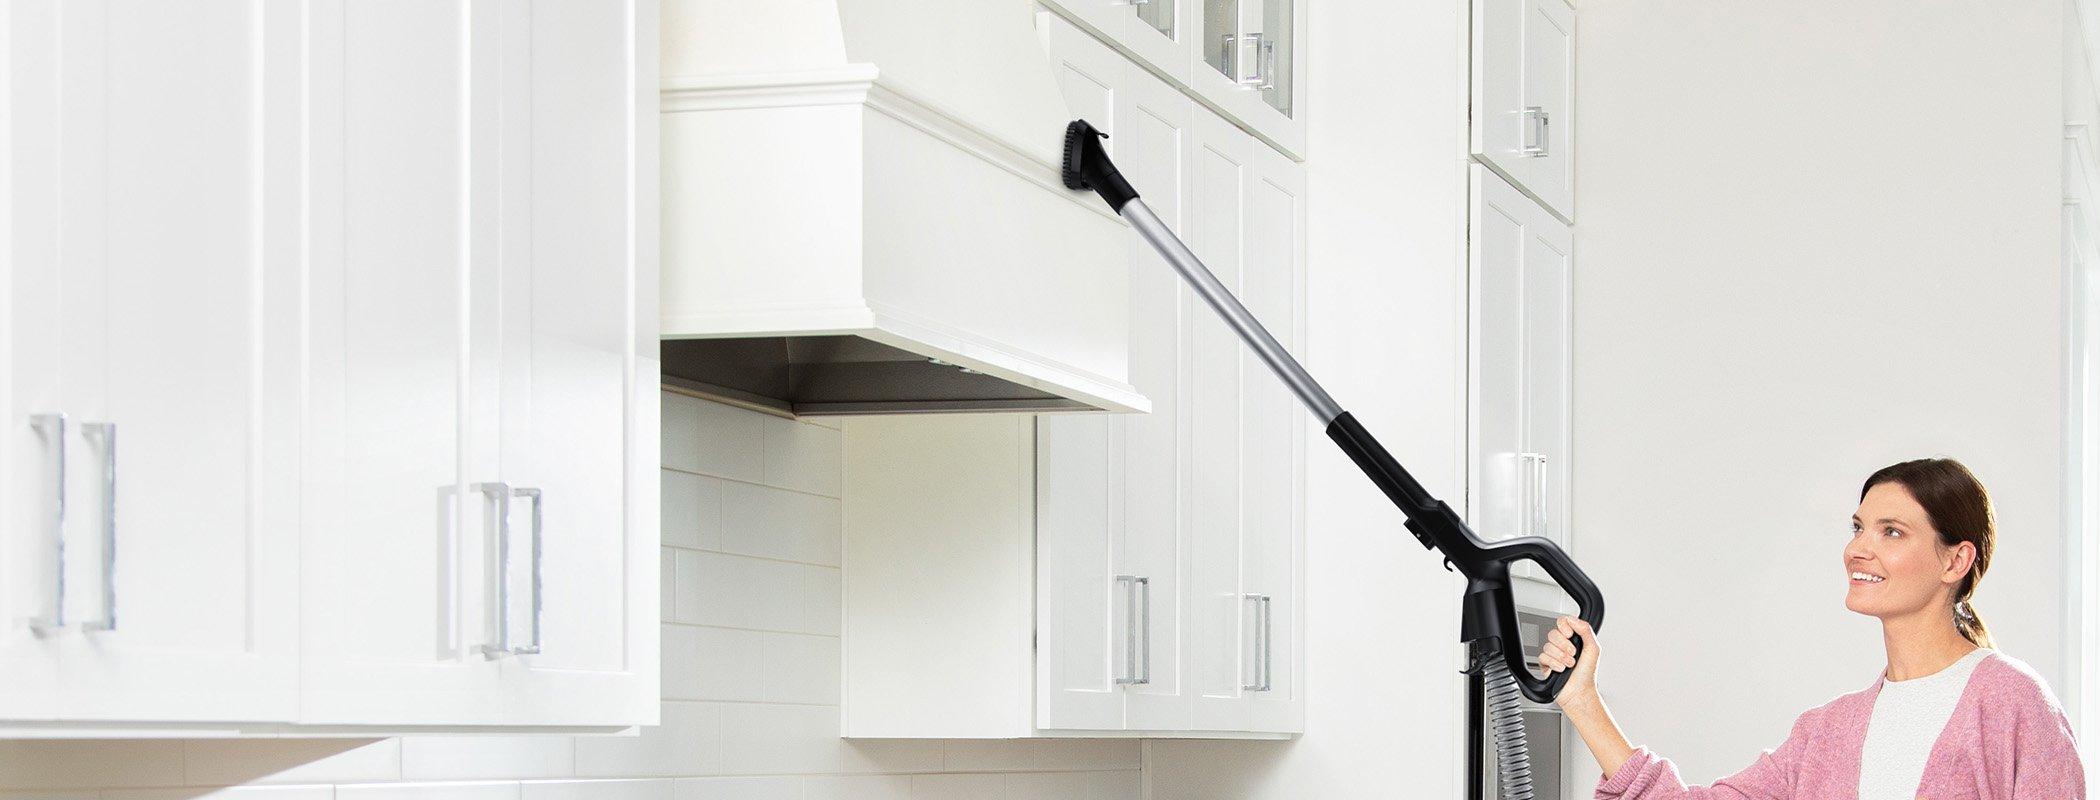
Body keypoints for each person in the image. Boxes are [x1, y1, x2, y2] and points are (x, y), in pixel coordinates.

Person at [1539, 457, 2085, 798]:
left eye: (1891, 531)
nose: (1858, 548)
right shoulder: (1828, 734)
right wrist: (1583, 700)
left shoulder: (2012, 703)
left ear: (1954, 561)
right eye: (1858, 527)